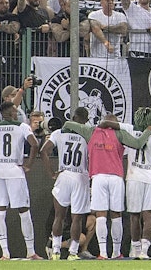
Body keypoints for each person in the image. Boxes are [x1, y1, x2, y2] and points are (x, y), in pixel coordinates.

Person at [61, 114, 151, 259]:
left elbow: (68, 123)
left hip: (98, 177)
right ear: (116, 123)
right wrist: (148, 130)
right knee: (116, 215)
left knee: (101, 215)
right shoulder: (120, 133)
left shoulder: (91, 131)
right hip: (116, 177)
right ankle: (116, 252)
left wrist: (63, 132)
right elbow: (138, 144)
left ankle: (103, 253)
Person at [0, 101, 42, 260]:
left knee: (0, 211)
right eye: (15, 110)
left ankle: (5, 253)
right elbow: (35, 144)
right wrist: (29, 165)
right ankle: (30, 251)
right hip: (15, 169)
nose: (16, 113)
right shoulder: (22, 127)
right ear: (10, 113)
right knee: (23, 210)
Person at [40, 107, 90, 261]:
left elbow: (43, 151)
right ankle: (73, 253)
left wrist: (51, 173)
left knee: (59, 216)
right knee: (77, 219)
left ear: (72, 117)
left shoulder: (59, 133)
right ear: (86, 120)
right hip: (80, 176)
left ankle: (55, 251)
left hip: (64, 174)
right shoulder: (87, 135)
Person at [122, 107, 151, 260]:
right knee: (148, 215)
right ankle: (144, 251)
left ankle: (135, 249)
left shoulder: (129, 132)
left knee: (134, 216)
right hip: (150, 177)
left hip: (133, 177)